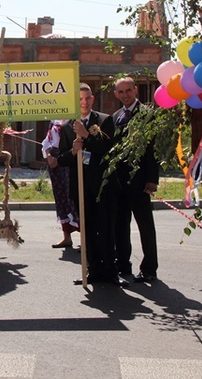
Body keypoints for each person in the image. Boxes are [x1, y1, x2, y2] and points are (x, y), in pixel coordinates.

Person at [58, 84, 126, 287]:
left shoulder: (105, 121)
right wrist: (72, 151)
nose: (84, 103)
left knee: (106, 228)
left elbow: (110, 150)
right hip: (81, 186)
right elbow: (61, 159)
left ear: (93, 99)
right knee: (87, 229)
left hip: (104, 186)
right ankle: (92, 269)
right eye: (79, 99)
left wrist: (87, 135)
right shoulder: (67, 126)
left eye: (87, 98)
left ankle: (111, 271)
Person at [110, 77, 160, 283]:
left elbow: (153, 150)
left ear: (135, 90)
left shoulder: (148, 115)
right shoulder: (115, 117)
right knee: (121, 226)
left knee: (145, 226)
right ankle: (123, 264)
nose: (125, 95)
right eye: (120, 92)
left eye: (128, 91)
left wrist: (152, 179)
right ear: (116, 95)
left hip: (140, 182)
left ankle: (149, 268)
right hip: (119, 183)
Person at [41, 120, 78, 249]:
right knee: (60, 197)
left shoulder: (74, 119)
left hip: (68, 158)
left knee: (72, 196)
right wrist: (49, 156)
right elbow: (47, 140)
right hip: (54, 160)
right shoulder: (54, 120)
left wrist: (61, 158)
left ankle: (85, 239)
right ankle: (67, 236)